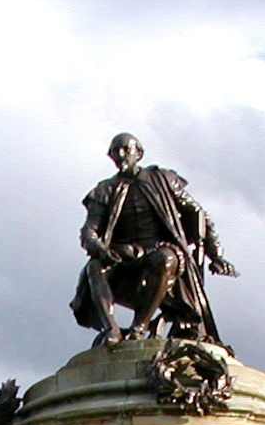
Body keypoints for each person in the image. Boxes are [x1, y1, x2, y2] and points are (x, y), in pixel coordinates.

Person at [70, 133, 238, 349]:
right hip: (124, 251)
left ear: (138, 153)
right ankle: (110, 328)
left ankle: (139, 327)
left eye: (125, 149)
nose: (120, 155)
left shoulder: (162, 179)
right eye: (115, 151)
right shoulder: (104, 190)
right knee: (94, 267)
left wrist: (216, 255)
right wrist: (100, 249)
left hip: (159, 247)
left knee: (165, 259)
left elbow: (197, 214)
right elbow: (89, 230)